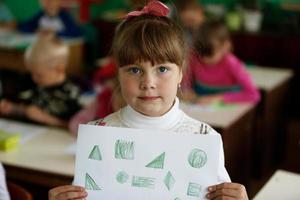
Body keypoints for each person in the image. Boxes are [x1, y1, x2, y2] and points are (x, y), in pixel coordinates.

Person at [48, 1, 249, 199]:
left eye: (162, 69)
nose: (148, 82)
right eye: (134, 70)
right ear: (118, 74)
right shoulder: (99, 135)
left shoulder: (203, 139)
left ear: (181, 73)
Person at [0, 33, 81, 127]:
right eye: (31, 73)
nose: (34, 78)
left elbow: (75, 127)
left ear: (60, 69)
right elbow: (29, 109)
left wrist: (46, 118)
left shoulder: (71, 94)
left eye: (39, 75)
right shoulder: (36, 84)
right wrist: (13, 109)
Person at [182, 19, 260, 105]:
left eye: (210, 54)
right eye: (201, 54)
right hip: (199, 108)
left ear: (225, 46)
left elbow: (253, 95)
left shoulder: (230, 63)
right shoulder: (194, 57)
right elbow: (186, 81)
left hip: (225, 112)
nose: (204, 59)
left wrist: (219, 98)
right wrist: (186, 90)